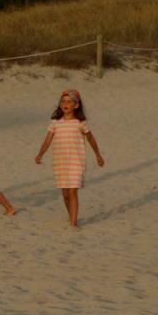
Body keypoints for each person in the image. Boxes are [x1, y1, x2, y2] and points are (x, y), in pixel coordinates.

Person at [34, 88, 104, 227]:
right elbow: (47, 140)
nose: (65, 104)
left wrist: (98, 155)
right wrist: (40, 154)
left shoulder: (80, 122)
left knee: (72, 191)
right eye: (63, 101)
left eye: (69, 102)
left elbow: (91, 139)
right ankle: (71, 215)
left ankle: (73, 223)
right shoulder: (55, 122)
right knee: (65, 193)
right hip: (60, 161)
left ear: (76, 105)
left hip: (76, 161)